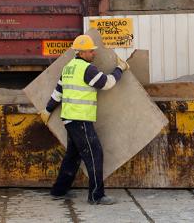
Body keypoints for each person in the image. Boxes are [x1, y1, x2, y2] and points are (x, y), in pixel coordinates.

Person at [38, 34, 129, 205]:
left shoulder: (68, 68)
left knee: (73, 156)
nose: (93, 54)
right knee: (95, 155)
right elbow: (107, 83)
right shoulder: (88, 69)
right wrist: (120, 69)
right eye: (90, 51)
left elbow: (58, 92)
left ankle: (59, 191)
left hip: (70, 119)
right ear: (81, 52)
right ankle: (96, 196)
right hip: (80, 120)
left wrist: (48, 109)